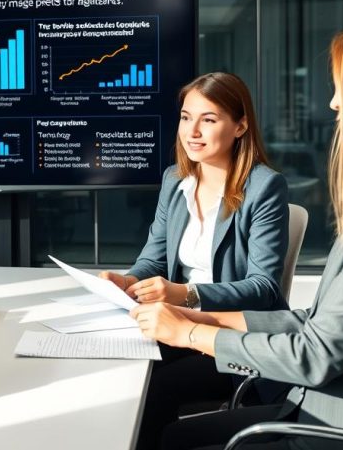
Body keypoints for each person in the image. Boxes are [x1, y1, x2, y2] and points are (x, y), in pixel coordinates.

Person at [131, 9, 343, 450]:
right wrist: (197, 318)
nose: (334, 104)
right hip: (328, 405)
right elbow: (318, 323)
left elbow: (316, 353)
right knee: (170, 434)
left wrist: (187, 331)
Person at [98, 71, 290, 450]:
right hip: (176, 323)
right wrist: (126, 281)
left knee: (154, 385)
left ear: (240, 126)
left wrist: (185, 293)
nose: (193, 132)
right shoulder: (176, 181)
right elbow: (153, 258)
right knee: (118, 366)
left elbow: (263, 289)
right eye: (186, 117)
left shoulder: (264, 187)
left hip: (230, 334)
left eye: (209, 119)